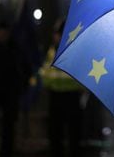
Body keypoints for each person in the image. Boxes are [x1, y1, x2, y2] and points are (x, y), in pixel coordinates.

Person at [0, 22, 30, 157]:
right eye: (0, 32)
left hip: (10, 94)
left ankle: (6, 152)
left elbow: (25, 69)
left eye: (5, 32)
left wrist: (22, 86)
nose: (2, 35)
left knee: (8, 126)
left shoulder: (14, 49)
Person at [39, 20, 85, 157]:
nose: (55, 37)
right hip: (56, 95)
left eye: (58, 34)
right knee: (56, 132)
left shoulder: (72, 51)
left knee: (73, 132)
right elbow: (46, 72)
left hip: (70, 95)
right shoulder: (52, 51)